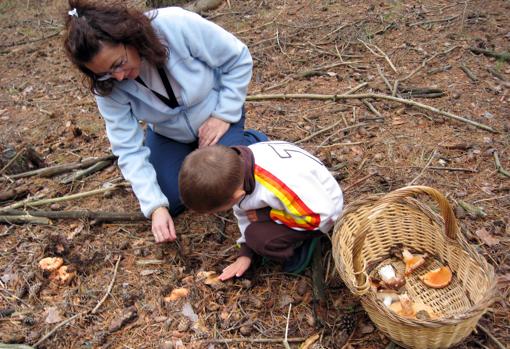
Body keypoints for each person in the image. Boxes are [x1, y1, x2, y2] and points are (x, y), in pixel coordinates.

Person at [62, 1, 267, 244]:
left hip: (216, 114)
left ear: (128, 36)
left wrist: (223, 114)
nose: (117, 76)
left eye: (118, 64)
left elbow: (238, 58)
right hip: (169, 134)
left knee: (225, 182)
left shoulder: (174, 25)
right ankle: (194, 155)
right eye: (104, 73)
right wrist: (155, 207)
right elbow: (127, 147)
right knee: (175, 197)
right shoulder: (108, 86)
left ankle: (252, 143)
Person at [178, 141, 344, 280]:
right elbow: (244, 212)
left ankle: (301, 245)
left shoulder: (278, 184)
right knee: (253, 232)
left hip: (321, 210)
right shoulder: (236, 169)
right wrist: (245, 251)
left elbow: (320, 216)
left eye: (219, 210)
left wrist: (267, 215)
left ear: (237, 196)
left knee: (259, 238)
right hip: (299, 199)